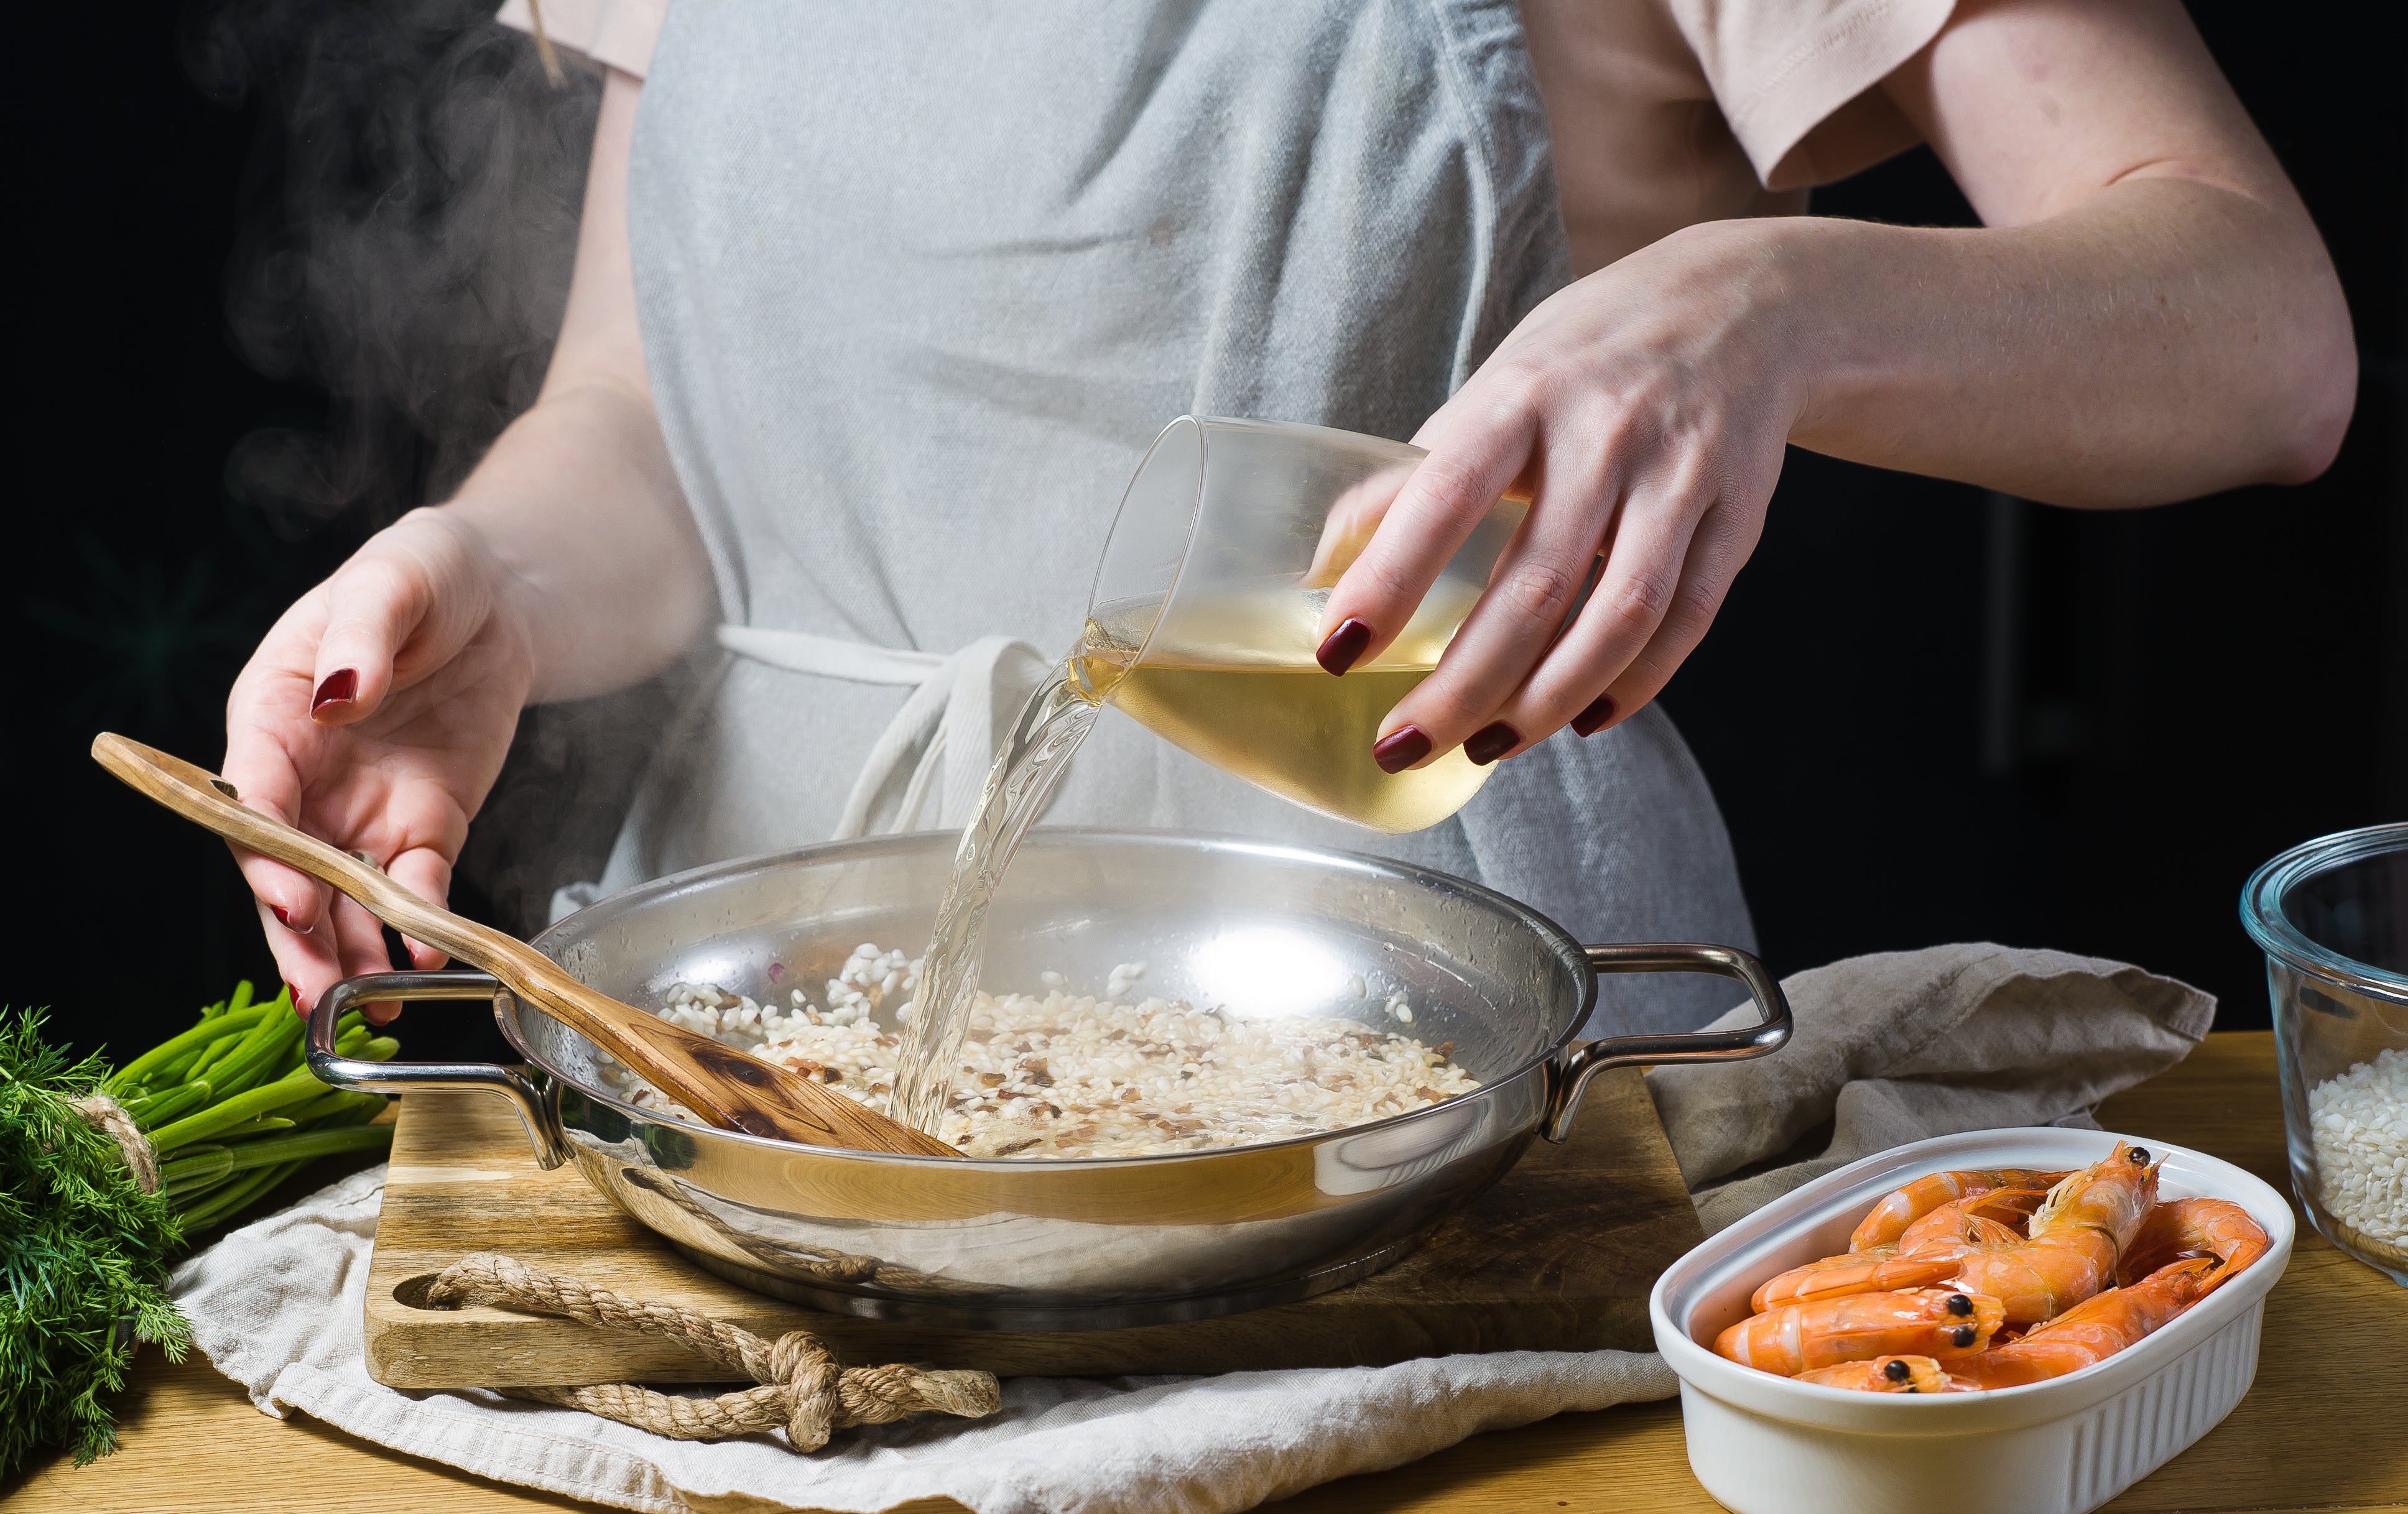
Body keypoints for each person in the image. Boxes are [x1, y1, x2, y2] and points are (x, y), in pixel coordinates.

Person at [221, 0, 2352, 1033]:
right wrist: (494, 573)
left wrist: (1768, 309)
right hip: (765, 1047)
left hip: (1447, 1067)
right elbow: (654, 411)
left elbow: (2260, 332)